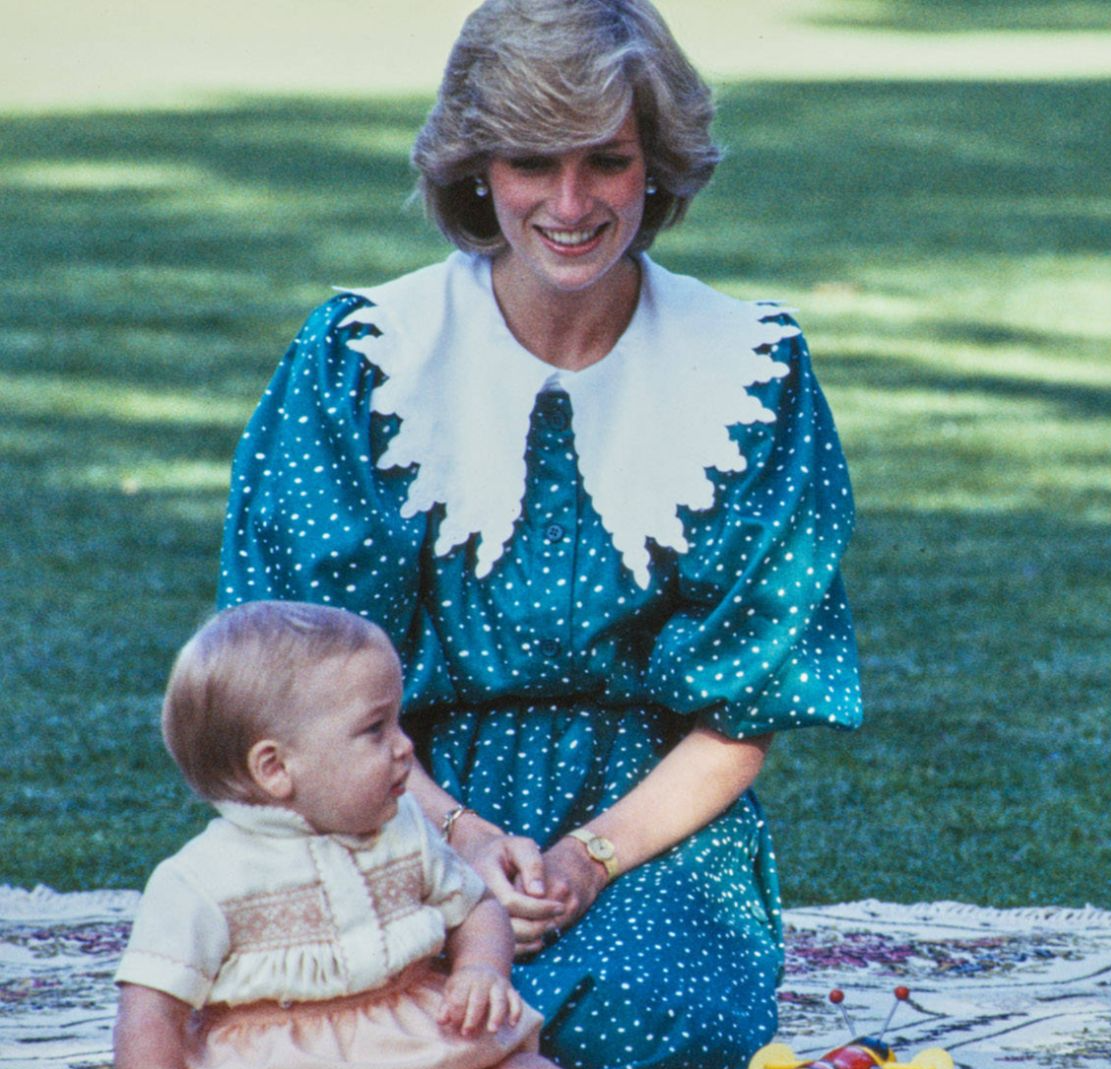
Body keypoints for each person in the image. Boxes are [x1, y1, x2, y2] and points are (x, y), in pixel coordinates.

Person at [217, 1, 863, 1066]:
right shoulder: (363, 359)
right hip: (382, 795)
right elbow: (296, 674)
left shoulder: (751, 374)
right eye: (530, 162)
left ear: (655, 165)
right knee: (318, 1006)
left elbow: (749, 707)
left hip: (644, 817)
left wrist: (589, 859)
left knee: (654, 1014)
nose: (569, 204)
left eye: (604, 162)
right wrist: (458, 838)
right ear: (478, 171)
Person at [112, 601, 552, 1069]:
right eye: (374, 728)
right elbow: (151, 1013)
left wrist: (481, 968)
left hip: (425, 1038)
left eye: (398, 722)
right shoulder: (202, 879)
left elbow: (477, 907)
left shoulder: (403, 827)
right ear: (276, 768)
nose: (406, 746)